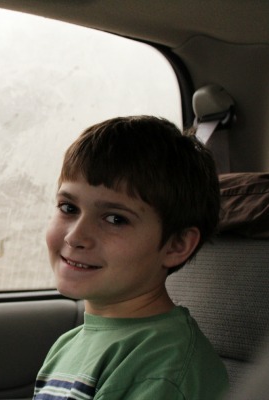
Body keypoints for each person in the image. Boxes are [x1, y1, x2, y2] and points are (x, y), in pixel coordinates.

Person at [33, 116, 229, 399]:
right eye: (68, 208)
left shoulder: (163, 368)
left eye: (115, 219)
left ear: (176, 245)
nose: (75, 237)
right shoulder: (70, 343)